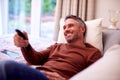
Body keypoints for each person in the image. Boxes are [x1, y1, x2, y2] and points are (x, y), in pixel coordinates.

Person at [0, 15, 102, 80]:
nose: (66, 30)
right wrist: (26, 45)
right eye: (64, 27)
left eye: (70, 26)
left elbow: (95, 77)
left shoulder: (92, 52)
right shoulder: (57, 46)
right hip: (38, 74)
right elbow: (35, 59)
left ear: (82, 29)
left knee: (8, 66)